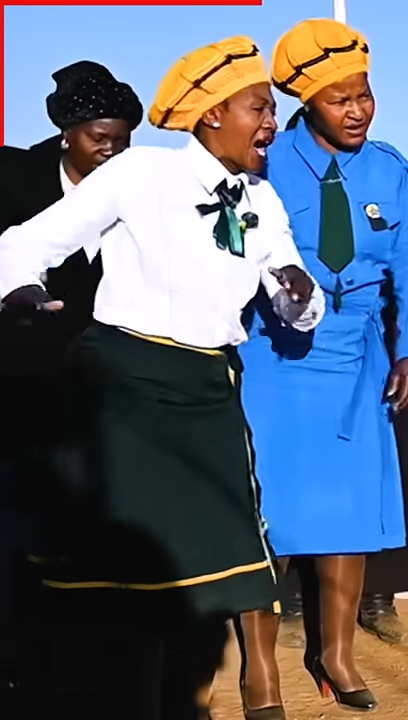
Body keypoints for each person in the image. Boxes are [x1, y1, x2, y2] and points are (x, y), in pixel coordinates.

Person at [0, 35, 324, 720]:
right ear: (213, 115)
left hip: (208, 388)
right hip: (127, 389)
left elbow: (294, 302)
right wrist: (25, 292)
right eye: (259, 108)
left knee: (236, 552)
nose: (272, 123)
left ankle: (254, 694)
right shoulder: (139, 173)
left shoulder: (263, 199)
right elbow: (24, 244)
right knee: (132, 575)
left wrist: (298, 291)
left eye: (272, 110)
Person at [234, 19, 408, 717]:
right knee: (271, 514)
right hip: (275, 357)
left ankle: (336, 655)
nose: (357, 111)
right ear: (306, 101)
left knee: (347, 513)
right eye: (339, 99)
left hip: (359, 359)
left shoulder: (393, 171)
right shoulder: (263, 162)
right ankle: (260, 669)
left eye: (364, 95)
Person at [0, 59, 141, 695]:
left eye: (121, 138)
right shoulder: (13, 180)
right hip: (24, 383)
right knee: (21, 523)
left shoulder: (141, 189)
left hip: (109, 391)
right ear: (66, 135)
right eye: (98, 137)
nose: (111, 149)